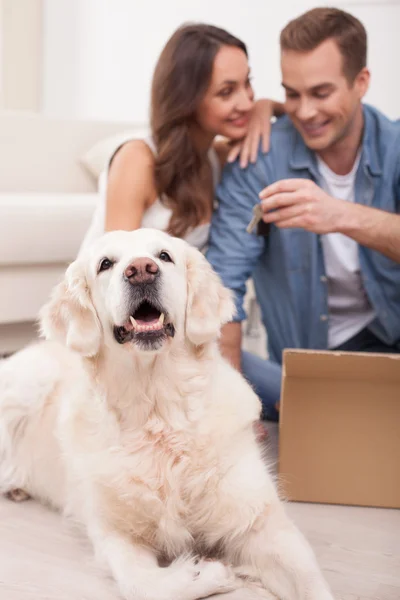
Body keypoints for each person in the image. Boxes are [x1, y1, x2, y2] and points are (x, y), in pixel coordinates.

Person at [207, 7, 400, 420]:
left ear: (361, 82)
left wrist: (340, 215)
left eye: (321, 93)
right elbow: (223, 285)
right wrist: (233, 414)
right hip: (314, 363)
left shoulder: (395, 148)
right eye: (292, 94)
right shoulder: (258, 160)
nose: (305, 112)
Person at [80, 23, 284, 416]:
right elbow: (116, 287)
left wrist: (268, 108)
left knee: (292, 394)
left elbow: (308, 108)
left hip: (178, 334)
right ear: (187, 98)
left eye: (248, 85)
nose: (244, 101)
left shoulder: (219, 159)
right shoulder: (139, 159)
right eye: (227, 92)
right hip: (126, 336)